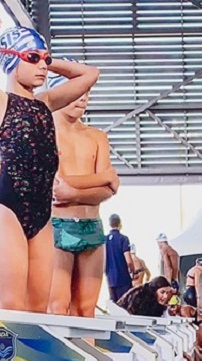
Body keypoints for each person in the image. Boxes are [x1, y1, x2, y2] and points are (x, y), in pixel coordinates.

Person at [0, 19, 100, 312]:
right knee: (13, 306)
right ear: (11, 60)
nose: (43, 66)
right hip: (8, 210)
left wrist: (44, 57)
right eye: (33, 59)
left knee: (37, 310)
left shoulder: (46, 101)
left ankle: (33, 360)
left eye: (45, 60)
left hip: (41, 215)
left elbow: (90, 74)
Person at [46, 69, 117, 317]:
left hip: (92, 226)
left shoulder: (97, 137)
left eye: (87, 93)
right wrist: (103, 178)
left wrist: (73, 193)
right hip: (56, 225)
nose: (82, 98)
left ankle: (89, 356)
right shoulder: (46, 134)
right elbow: (54, 187)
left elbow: (109, 189)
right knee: (57, 307)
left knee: (87, 311)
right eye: (77, 92)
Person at [105, 213, 133, 303]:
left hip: (110, 278)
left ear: (109, 224)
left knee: (114, 305)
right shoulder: (123, 239)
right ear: (120, 224)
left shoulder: (104, 240)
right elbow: (128, 260)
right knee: (125, 305)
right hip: (123, 277)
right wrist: (132, 270)